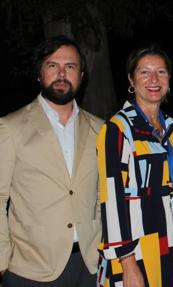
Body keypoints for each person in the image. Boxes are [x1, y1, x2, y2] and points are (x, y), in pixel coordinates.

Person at [0, 35, 103, 286]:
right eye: (52, 65)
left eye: (70, 67)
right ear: (39, 73)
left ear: (81, 74)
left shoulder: (100, 130)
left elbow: (103, 197)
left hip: (89, 266)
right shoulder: (10, 127)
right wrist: (2, 262)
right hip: (31, 270)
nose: (61, 74)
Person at [96, 45, 173, 287]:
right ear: (131, 79)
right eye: (145, 72)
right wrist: (128, 263)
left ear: (169, 79)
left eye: (161, 72)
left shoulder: (172, 127)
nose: (154, 79)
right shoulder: (117, 129)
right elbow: (113, 197)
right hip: (137, 250)